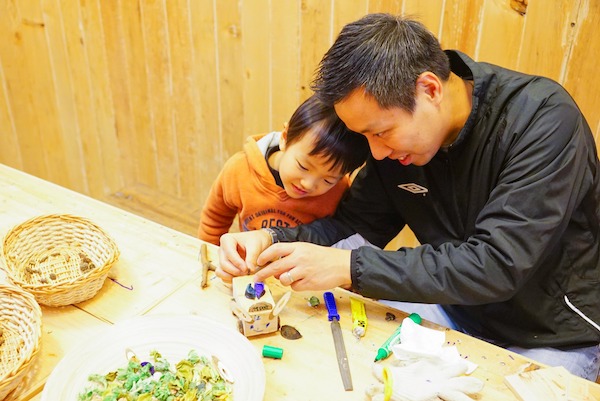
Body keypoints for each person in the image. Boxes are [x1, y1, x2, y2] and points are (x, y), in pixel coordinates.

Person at [217, 14, 600, 381]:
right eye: (364, 137)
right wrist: (272, 241)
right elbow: (356, 225)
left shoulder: (543, 121)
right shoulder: (392, 147)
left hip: (553, 333)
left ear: (429, 89)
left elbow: (496, 265)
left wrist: (350, 268)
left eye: (380, 133)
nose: (376, 154)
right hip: (453, 306)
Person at [198, 95, 369, 245]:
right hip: (249, 270)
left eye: (328, 180)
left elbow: (338, 239)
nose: (308, 184)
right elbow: (214, 219)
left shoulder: (340, 191)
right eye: (303, 166)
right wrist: (212, 256)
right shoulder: (239, 170)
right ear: (285, 138)